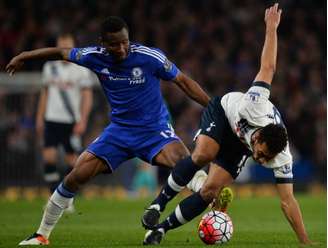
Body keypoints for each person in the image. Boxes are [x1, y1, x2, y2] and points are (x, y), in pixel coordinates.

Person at [6, 16, 211, 245]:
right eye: (114, 44)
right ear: (102, 42)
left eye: (125, 42)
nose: (122, 48)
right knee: (76, 175)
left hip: (154, 131)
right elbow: (60, 52)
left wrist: (214, 108)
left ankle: (215, 201)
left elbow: (183, 81)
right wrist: (23, 56)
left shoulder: (149, 57)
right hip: (119, 132)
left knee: (185, 163)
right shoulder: (93, 56)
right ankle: (42, 235)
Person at [142, 4, 312, 245]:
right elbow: (269, 67)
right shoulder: (255, 105)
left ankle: (159, 230)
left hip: (239, 143)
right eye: (262, 155)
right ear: (258, 137)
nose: (262, 161)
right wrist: (271, 28)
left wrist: (305, 242)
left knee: (210, 191)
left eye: (264, 159)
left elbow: (288, 201)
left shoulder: (280, 156)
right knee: (204, 154)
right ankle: (157, 204)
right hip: (224, 113)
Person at [36, 33, 93, 195]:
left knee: (73, 162)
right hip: (51, 119)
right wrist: (39, 118)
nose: (64, 49)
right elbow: (44, 94)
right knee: (48, 158)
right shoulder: (50, 67)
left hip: (71, 121)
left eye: (68, 46)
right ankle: (52, 195)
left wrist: (83, 121)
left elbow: (87, 97)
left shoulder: (81, 69)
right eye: (61, 46)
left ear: (73, 47)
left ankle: (67, 197)